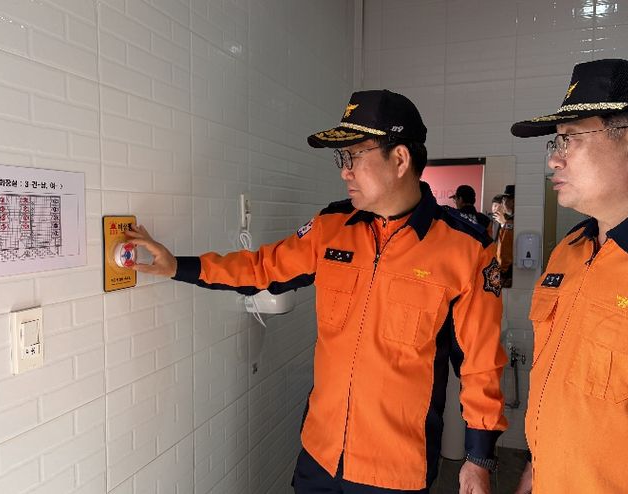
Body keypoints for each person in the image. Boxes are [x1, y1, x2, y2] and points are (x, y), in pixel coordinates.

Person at [125, 89, 508, 493]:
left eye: (354, 156)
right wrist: (177, 266)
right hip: (321, 455)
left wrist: (478, 458)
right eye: (342, 158)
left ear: (399, 159)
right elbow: (261, 268)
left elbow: (480, 364)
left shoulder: (466, 249)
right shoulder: (331, 227)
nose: (344, 172)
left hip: (394, 470)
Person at [510, 58, 628, 493]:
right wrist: (536, 467)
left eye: (569, 140)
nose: (554, 161)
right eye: (555, 143)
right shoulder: (569, 250)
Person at [493, 185, 514, 288]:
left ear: (513, 201)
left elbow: (506, 247)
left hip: (508, 269)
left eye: (504, 200)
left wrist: (504, 223)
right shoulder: (505, 219)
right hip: (502, 267)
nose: (502, 204)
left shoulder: (511, 221)